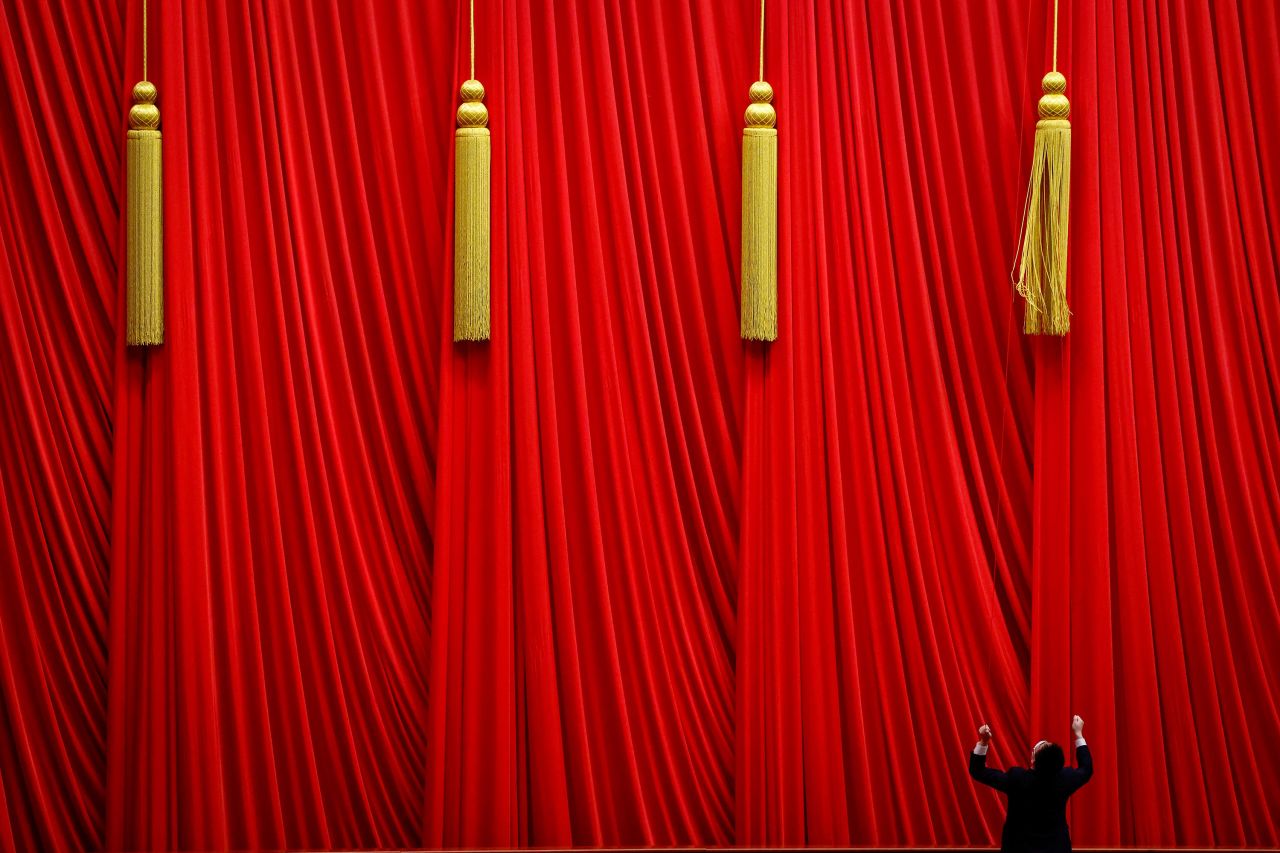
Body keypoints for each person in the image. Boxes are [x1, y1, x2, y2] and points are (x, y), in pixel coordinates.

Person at [968, 715, 1093, 853]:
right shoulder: (1064, 779)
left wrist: (984, 741)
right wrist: (1078, 734)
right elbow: (1086, 769)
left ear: (1033, 759)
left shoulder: (1017, 779)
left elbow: (977, 771)